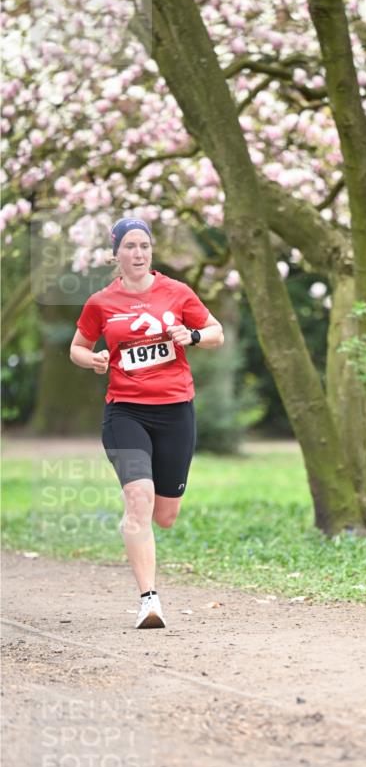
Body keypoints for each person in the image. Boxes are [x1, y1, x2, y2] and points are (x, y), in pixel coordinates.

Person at [70, 217, 224, 629]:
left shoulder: (177, 292)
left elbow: (216, 332)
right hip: (125, 411)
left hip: (175, 410)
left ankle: (142, 526)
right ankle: (149, 600)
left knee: (165, 515)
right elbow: (77, 347)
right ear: (116, 253)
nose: (138, 253)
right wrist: (93, 359)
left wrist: (192, 336)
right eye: (129, 246)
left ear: (151, 251)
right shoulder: (101, 302)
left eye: (144, 246)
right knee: (140, 499)